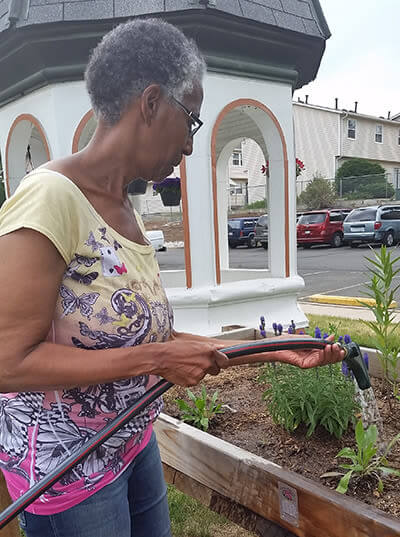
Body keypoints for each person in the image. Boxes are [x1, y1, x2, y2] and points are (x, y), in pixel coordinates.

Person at [0, 18, 345, 537]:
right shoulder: (49, 197)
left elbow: (145, 335)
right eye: (191, 121)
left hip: (131, 442)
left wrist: (271, 349)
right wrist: (156, 360)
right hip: (68, 469)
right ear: (151, 103)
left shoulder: (122, 209)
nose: (189, 145)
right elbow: (9, 360)